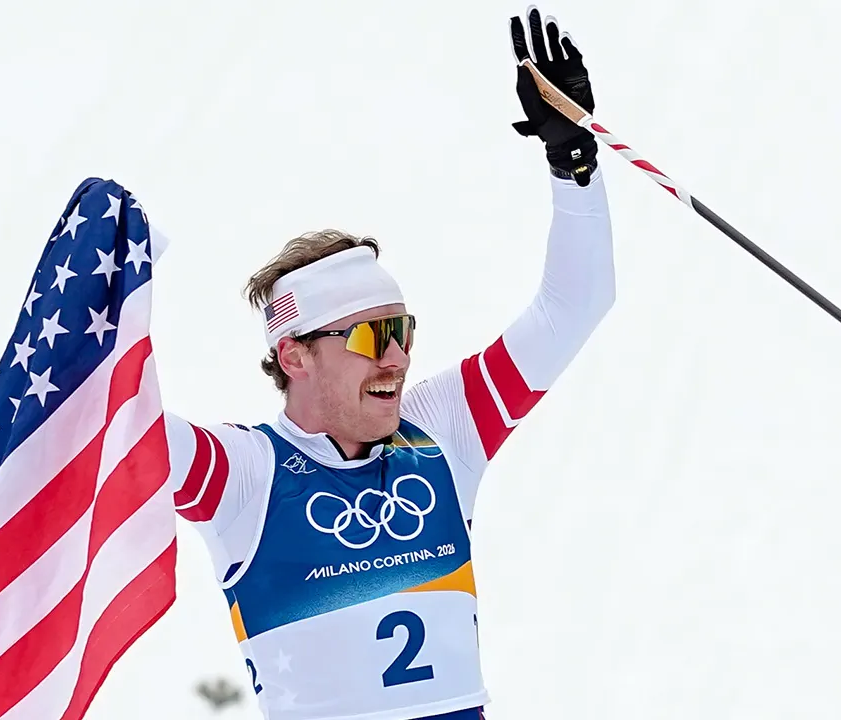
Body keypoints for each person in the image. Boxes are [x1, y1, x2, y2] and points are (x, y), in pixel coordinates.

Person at [167, 8, 615, 720]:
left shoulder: (441, 428)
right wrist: (98, 310)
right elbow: (125, 430)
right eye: (372, 337)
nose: (399, 357)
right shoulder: (246, 474)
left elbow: (576, 304)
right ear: (295, 355)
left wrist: (573, 160)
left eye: (402, 329)